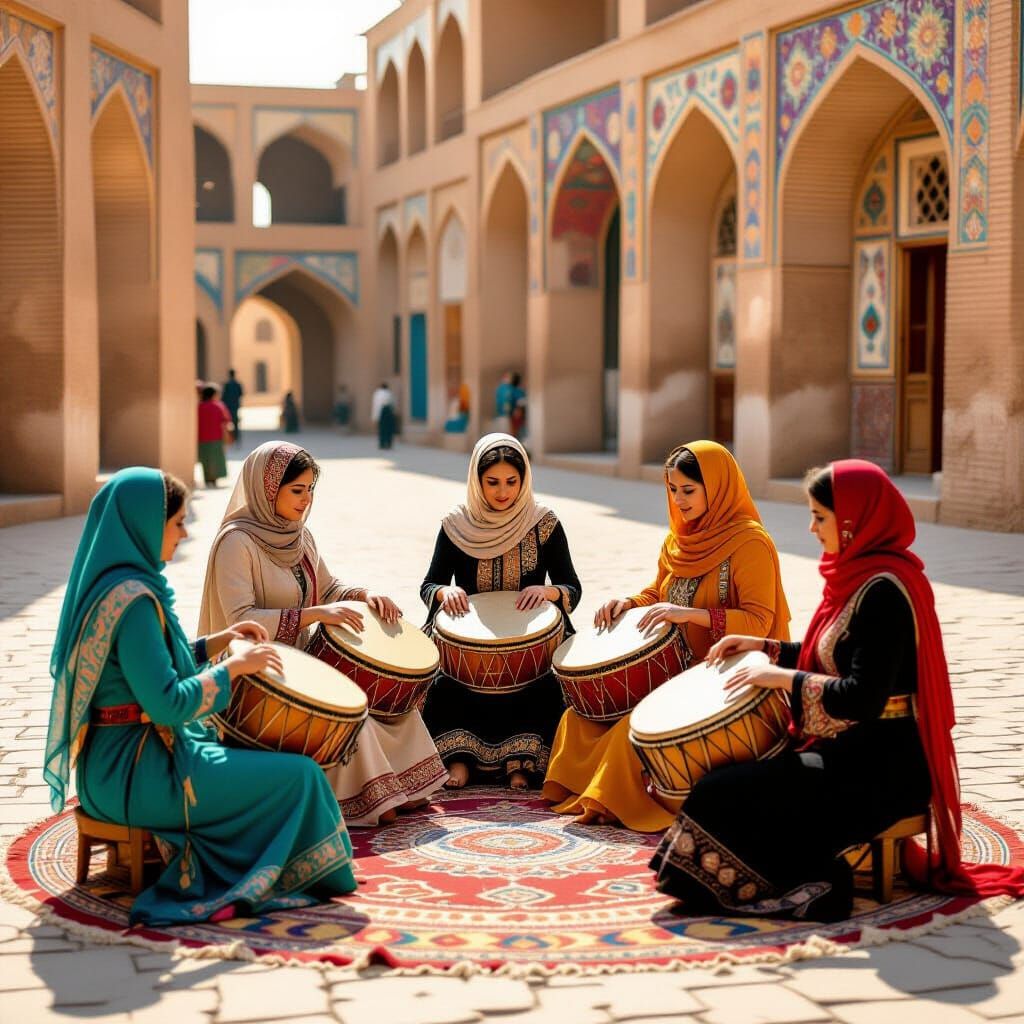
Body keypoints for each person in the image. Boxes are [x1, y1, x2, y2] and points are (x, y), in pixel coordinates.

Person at [649, 460, 1024, 920]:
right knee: (724, 785)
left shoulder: (886, 592)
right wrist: (764, 646)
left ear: (852, 521)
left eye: (820, 517)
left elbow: (861, 695)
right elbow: (831, 654)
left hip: (882, 772)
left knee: (729, 790)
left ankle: (822, 886)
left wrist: (781, 678)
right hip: (850, 753)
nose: (811, 528)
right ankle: (751, 881)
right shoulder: (858, 577)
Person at [43, 468, 357, 927]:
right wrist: (234, 668)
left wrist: (218, 641)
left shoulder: (115, 589)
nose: (184, 534)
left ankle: (262, 860)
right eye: (177, 523)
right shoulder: (134, 604)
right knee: (300, 775)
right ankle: (289, 876)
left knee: (260, 760)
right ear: (146, 524)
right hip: (141, 772)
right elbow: (168, 703)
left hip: (112, 767)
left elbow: (155, 664)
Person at [543, 441, 790, 832]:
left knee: (630, 727)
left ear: (717, 487)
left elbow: (759, 621)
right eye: (672, 489)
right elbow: (659, 594)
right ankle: (592, 793)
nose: (678, 499)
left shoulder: (750, 543)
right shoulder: (678, 540)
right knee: (581, 717)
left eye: (688, 490)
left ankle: (617, 801)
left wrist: (692, 615)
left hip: (724, 678)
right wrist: (627, 603)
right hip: (673, 669)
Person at [199, 441, 447, 825]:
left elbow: (328, 589)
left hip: (303, 664)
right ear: (267, 489)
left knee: (391, 706)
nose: (307, 500)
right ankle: (365, 799)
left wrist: (364, 595)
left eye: (311, 489)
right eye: (297, 490)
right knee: (354, 714)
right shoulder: (236, 542)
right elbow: (240, 620)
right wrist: (313, 614)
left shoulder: (300, 537)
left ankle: (396, 789)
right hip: (257, 675)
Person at [420, 433, 581, 791]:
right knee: (443, 685)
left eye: (512, 481)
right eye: (492, 482)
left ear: (524, 481)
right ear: (477, 481)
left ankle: (521, 764)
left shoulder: (544, 523)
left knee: (546, 685)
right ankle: (458, 759)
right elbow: (429, 584)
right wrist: (445, 591)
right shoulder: (456, 525)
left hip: (532, 645)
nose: (503, 491)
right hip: (467, 647)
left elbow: (572, 586)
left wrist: (549, 591)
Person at [197, 385, 233, 488]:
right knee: (216, 459)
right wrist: (228, 436)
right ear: (213, 395)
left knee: (205, 459)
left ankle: (207, 479)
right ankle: (214, 479)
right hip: (216, 437)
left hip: (202, 438)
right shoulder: (218, 406)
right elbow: (225, 422)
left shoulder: (199, 406)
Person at [371, 382, 396, 450]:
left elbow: (375, 405)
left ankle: (382, 444)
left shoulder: (377, 394)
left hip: (382, 412)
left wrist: (375, 417)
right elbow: (393, 404)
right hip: (388, 411)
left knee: (382, 429)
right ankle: (388, 443)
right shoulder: (389, 393)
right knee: (388, 429)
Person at [221, 369, 243, 444]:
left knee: (227, 422)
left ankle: (230, 438)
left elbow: (223, 396)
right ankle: (236, 438)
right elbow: (241, 394)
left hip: (228, 406)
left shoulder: (227, 384)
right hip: (235, 405)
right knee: (235, 422)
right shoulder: (237, 384)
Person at [508, 372, 527, 440]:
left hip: (516, 412)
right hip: (516, 412)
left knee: (516, 430)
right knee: (516, 429)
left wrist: (517, 410)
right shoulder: (518, 391)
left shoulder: (515, 391)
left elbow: (520, 402)